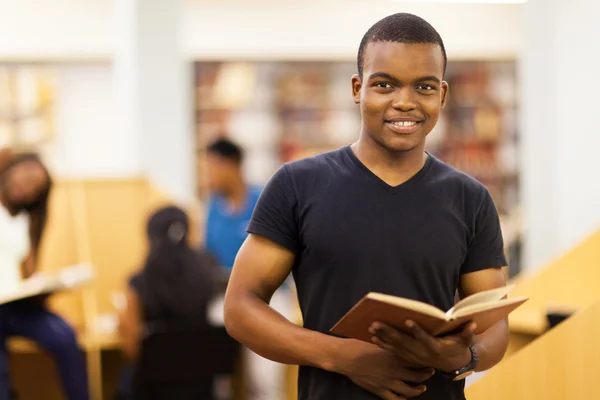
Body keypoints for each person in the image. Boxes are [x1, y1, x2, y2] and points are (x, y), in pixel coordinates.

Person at [224, 13, 509, 400]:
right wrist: (344, 357)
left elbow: (495, 326)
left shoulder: (470, 198)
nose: (404, 102)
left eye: (423, 87)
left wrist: (462, 356)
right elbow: (240, 307)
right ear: (358, 88)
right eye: (385, 84)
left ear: (442, 95)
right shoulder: (297, 184)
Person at [204, 138, 294, 400]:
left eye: (211, 167)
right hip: (224, 296)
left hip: (269, 295)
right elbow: (207, 258)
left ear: (230, 165)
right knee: (215, 374)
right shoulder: (212, 208)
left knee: (264, 381)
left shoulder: (263, 200)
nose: (207, 175)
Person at [0, 148, 89, 400]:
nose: (26, 187)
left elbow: (28, 275)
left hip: (13, 304)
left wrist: (45, 292)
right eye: (26, 175)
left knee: (64, 335)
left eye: (35, 187)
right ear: (12, 167)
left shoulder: (27, 221)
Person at [117, 205, 220, 398]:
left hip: (153, 389)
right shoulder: (209, 276)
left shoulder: (139, 283)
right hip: (202, 386)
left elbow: (131, 349)